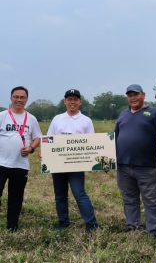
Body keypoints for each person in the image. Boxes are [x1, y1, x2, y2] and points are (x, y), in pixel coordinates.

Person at [115, 84, 156, 238]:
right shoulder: (123, 115)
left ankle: (153, 231)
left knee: (152, 200)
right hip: (123, 166)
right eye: (130, 95)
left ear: (143, 95)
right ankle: (133, 227)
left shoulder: (154, 112)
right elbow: (114, 138)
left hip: (146, 166)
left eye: (136, 94)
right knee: (129, 199)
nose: (133, 98)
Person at [47, 89, 98, 232]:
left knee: (79, 193)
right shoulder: (57, 119)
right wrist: (45, 154)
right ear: (65, 102)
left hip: (76, 165)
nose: (72, 102)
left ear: (80, 102)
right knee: (60, 195)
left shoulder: (86, 121)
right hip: (58, 164)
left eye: (75, 99)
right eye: (69, 99)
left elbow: (92, 143)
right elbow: (49, 139)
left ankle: (91, 224)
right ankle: (63, 222)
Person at [0, 86, 41, 231]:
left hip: (20, 165)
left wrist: (31, 148)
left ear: (26, 100)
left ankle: (12, 226)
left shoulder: (31, 118)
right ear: (11, 98)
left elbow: (37, 138)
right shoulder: (3, 116)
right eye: (16, 97)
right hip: (1, 163)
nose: (19, 99)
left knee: (16, 198)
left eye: (22, 97)